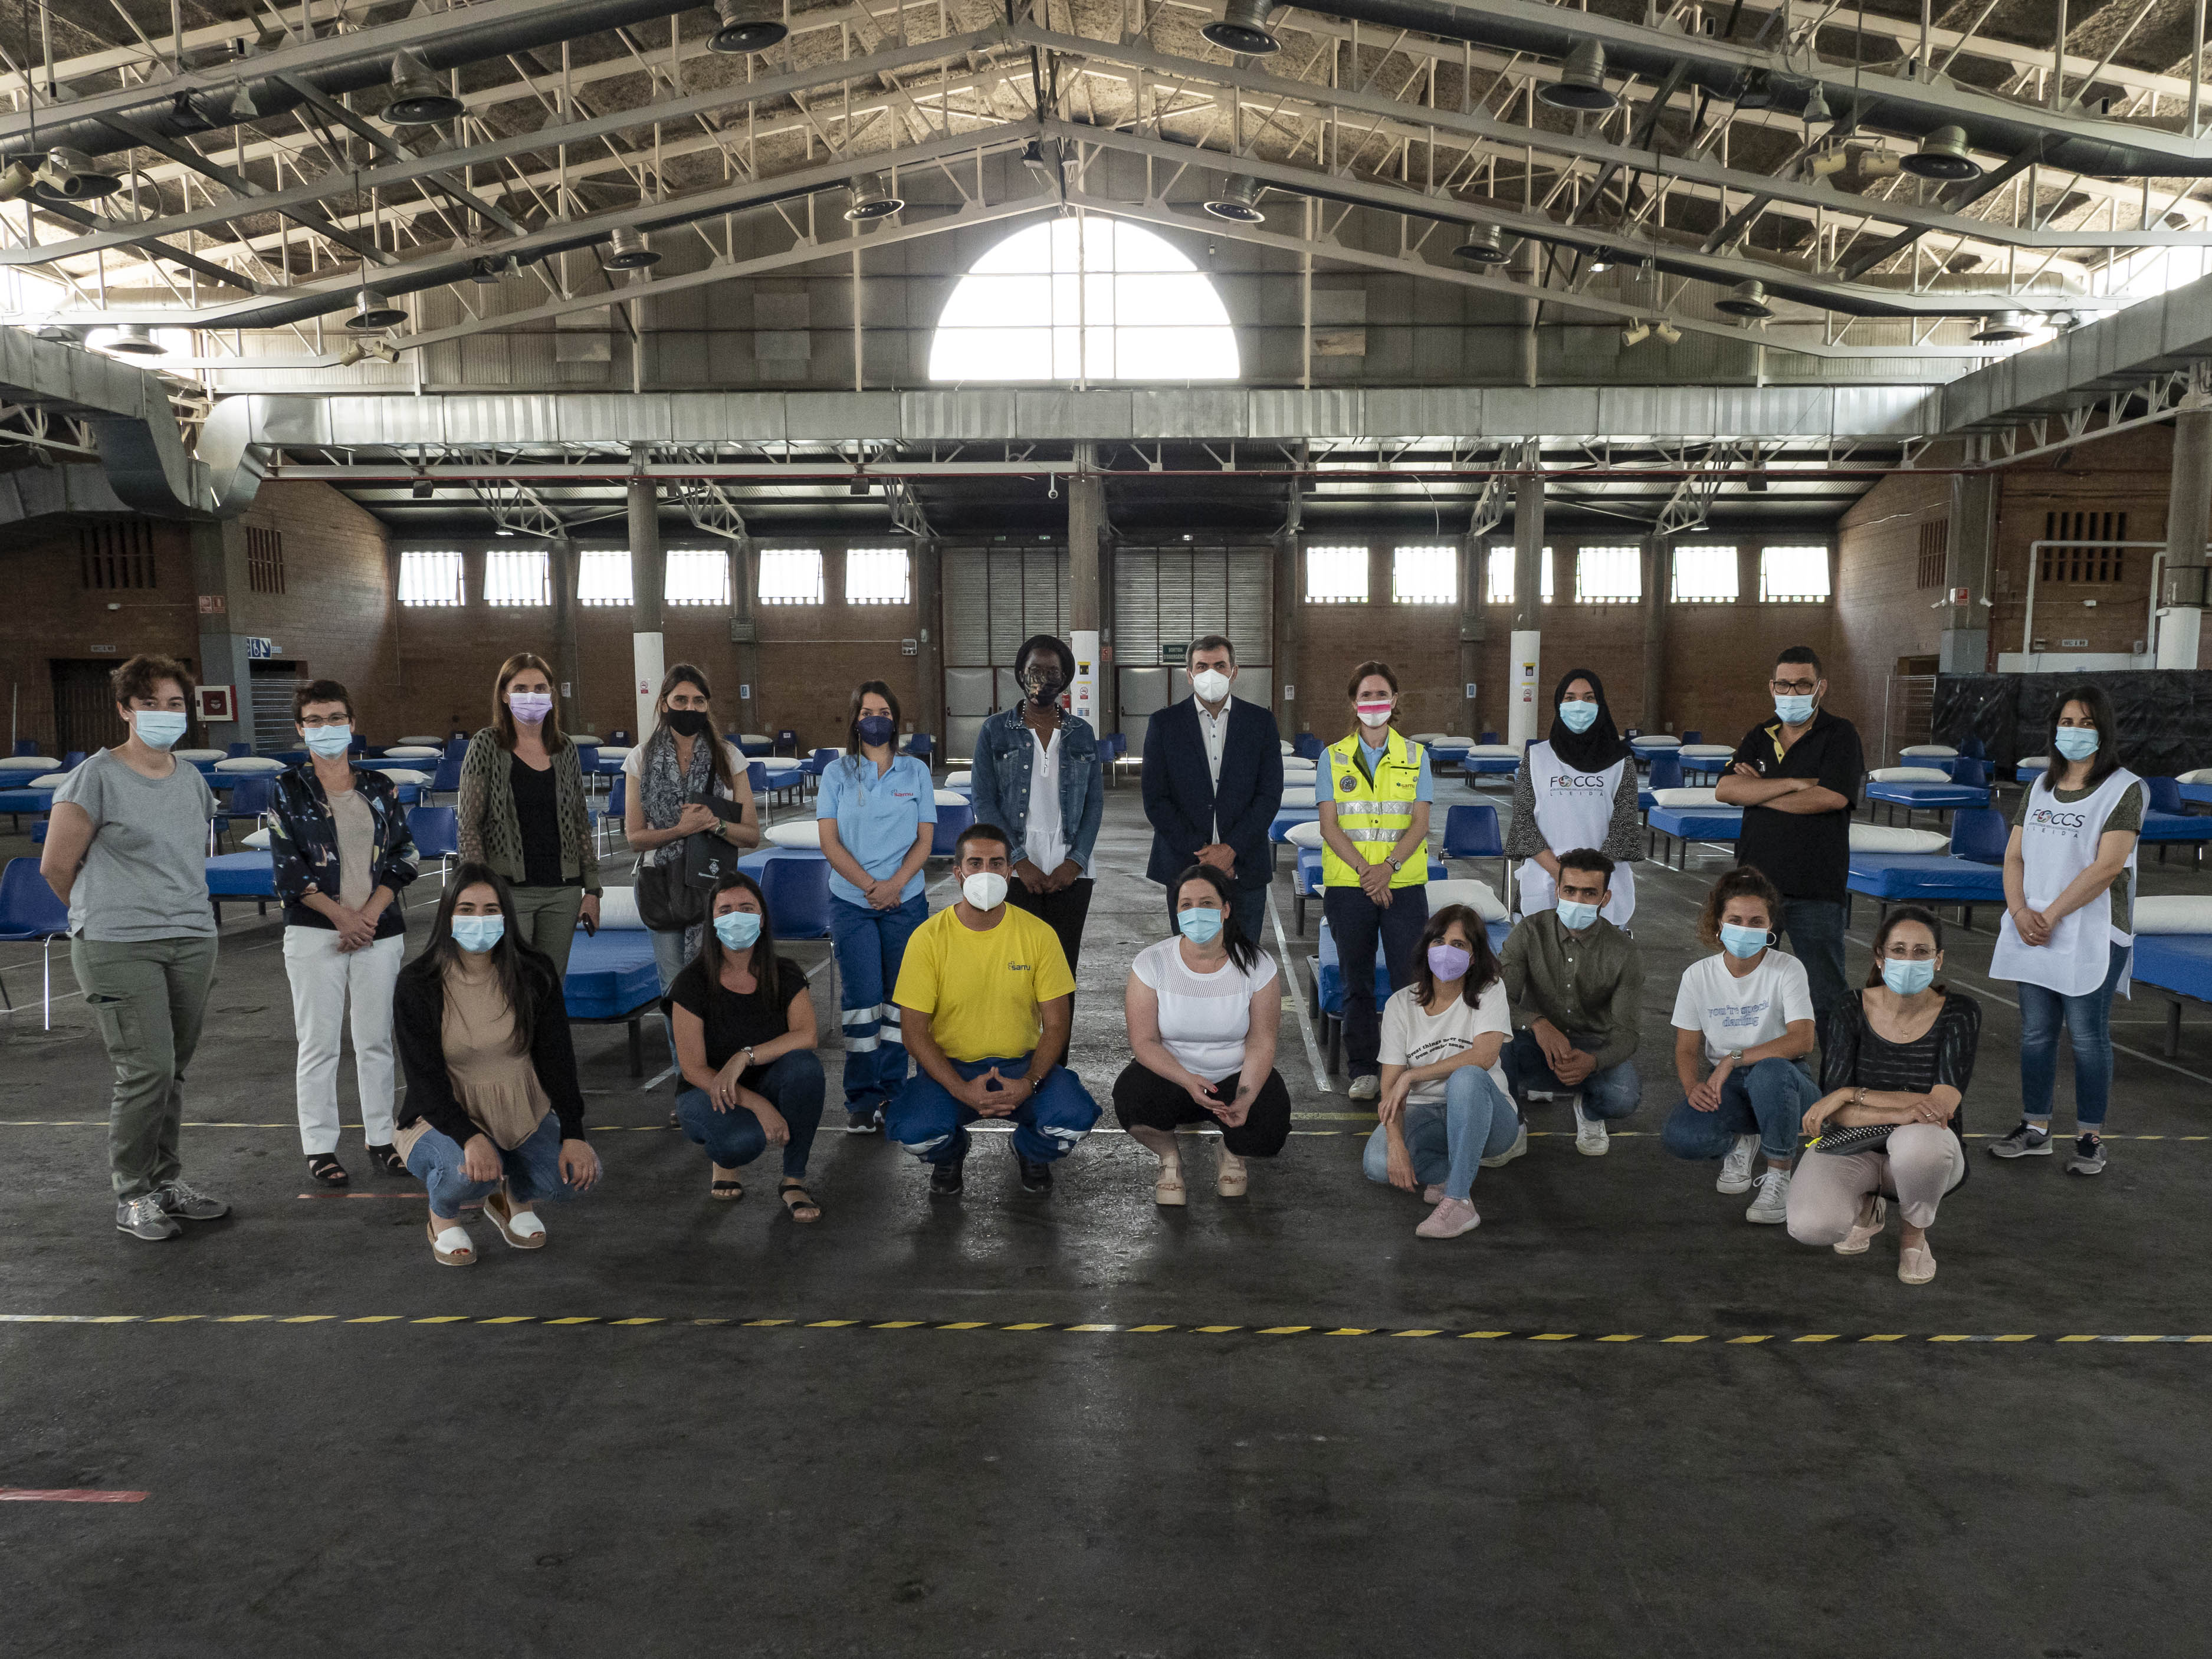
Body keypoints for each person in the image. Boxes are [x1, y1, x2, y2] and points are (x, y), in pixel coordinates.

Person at [39, 653, 229, 1243]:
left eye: (175, 703)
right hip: (119, 944)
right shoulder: (94, 777)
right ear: (125, 709)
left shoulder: (191, 779)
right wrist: (106, 913)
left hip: (191, 938)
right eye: (150, 703)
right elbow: (56, 866)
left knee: (172, 1070)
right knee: (147, 1069)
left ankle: (166, 1181)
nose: (164, 713)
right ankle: (133, 1192)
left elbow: (187, 856)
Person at [392, 865, 601, 1267]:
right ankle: (442, 1216)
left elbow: (558, 1058)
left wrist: (574, 1132)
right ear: (447, 915)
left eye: (490, 909)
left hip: (519, 1109)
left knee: (572, 1177)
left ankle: (512, 1199)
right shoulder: (417, 982)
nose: (479, 919)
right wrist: (470, 1137)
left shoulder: (535, 972)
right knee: (466, 1175)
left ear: (506, 916)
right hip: (441, 1115)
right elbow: (425, 1079)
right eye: (466, 909)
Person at [885, 823, 1100, 1198]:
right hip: (951, 1069)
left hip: (1023, 1066)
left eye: (997, 863)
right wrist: (960, 1089)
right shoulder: (928, 938)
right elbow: (914, 1033)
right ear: (958, 873)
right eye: (976, 863)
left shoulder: (1039, 934)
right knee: (914, 1132)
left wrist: (1030, 1082)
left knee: (1074, 1120)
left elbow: (1057, 1025)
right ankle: (951, 1154)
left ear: (1010, 871)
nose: (986, 872)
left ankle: (1030, 1150)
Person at [268, 678, 421, 1187]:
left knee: (376, 1039)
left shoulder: (379, 786)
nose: (326, 727)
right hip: (316, 931)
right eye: (314, 719)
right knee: (319, 1043)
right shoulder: (288, 788)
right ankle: (320, 1147)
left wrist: (369, 915)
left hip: (379, 930)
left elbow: (405, 855)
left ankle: (382, 1138)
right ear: (300, 728)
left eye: (335, 717)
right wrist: (341, 917)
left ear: (352, 723)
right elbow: (288, 868)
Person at [1988, 684, 2144, 1177]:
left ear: (2104, 730)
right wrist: (2019, 911)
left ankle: (2090, 1138)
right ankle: (2035, 1128)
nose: (2075, 731)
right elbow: (2014, 855)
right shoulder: (2040, 786)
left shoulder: (2125, 788)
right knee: (2036, 1033)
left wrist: (2051, 915)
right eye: (2067, 722)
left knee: (2087, 1036)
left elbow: (2108, 867)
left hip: (2092, 931)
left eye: (2086, 723)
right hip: (2032, 926)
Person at [1788, 906, 1978, 1285]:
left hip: (1924, 1154)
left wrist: (1850, 1094)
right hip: (1854, 1145)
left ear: (1938, 960)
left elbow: (1940, 1107)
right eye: (1899, 950)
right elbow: (1837, 1114)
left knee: (1919, 1142)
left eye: (1921, 952)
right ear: (1880, 956)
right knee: (1811, 1226)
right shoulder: (1849, 1008)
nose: (1909, 960)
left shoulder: (1960, 1013)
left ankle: (1914, 1235)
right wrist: (1901, 1110)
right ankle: (1868, 1204)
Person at [1113, 863, 1291, 1206]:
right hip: (1173, 1075)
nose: (1197, 911)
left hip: (1234, 1074)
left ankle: (1231, 1150)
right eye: (1187, 905)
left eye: (1207, 903)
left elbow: (1262, 1040)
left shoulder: (1258, 965)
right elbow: (1144, 1042)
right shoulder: (1151, 963)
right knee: (1132, 1098)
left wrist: (1246, 1099)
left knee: (1270, 1129)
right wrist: (1187, 1080)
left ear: (1225, 910)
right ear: (1178, 913)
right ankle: (1169, 1158)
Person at [1662, 865, 1819, 1225]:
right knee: (1682, 1137)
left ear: (1770, 926)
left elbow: (1802, 1039)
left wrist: (1733, 1058)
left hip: (1787, 1079)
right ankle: (1742, 1140)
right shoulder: (1698, 975)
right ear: (1719, 924)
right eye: (1735, 919)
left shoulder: (1788, 968)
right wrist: (1692, 1087)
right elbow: (1686, 1048)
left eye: (1756, 921)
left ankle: (1779, 1174)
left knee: (1770, 1073)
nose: (1745, 928)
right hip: (1729, 1083)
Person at [1714, 645, 1864, 1021]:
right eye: (1783, 684)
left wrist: (1759, 792)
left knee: (1825, 993)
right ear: (1772, 687)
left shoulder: (1840, 734)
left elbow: (1831, 797)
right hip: (1754, 889)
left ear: (1820, 687)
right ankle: (1750, 1055)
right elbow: (1726, 790)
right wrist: (1796, 783)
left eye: (1802, 685)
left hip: (1816, 888)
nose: (1791, 692)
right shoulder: (1759, 735)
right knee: (1749, 987)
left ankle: (1835, 1061)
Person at [669, 873, 825, 1221]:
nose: (736, 917)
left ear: (762, 918)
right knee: (739, 1144)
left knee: (805, 1068)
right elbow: (693, 1069)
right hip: (708, 1090)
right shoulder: (691, 983)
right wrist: (759, 1105)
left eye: (746, 908)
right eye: (725, 910)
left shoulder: (785, 973)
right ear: (712, 921)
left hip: (766, 1078)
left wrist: (744, 1056)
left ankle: (794, 1181)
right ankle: (724, 1162)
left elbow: (807, 1035)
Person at [818, 681, 936, 1135]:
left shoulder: (916, 771)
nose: (875, 719)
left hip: (905, 902)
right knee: (862, 1001)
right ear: (855, 720)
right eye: (867, 712)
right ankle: (862, 1096)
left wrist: (895, 886)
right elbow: (830, 842)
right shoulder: (837, 773)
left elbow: (925, 840)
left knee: (899, 1002)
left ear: (895, 718)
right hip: (853, 903)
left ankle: (893, 1091)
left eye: (883, 711)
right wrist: (871, 886)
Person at [1361, 904, 1519, 1240]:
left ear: (1473, 957)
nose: (1447, 951)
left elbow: (1485, 1056)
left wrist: (1412, 1076)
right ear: (1427, 947)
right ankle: (1454, 1170)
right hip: (1426, 1114)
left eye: (1459, 944)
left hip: (1489, 1115)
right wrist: (1396, 1144)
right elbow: (1390, 1086)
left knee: (1467, 1077)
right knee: (1377, 1164)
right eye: (1439, 941)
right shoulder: (1400, 1005)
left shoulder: (1489, 990)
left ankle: (1459, 1201)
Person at [1317, 660, 1432, 1103]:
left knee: (1410, 980)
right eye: (1365, 695)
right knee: (1357, 981)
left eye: (1382, 693)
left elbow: (1419, 823)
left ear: (1395, 699)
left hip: (1403, 886)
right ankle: (1364, 1068)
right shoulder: (1332, 757)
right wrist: (1370, 873)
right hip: (1350, 887)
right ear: (1354, 702)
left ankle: (1408, 1063)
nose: (1374, 702)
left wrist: (1389, 867)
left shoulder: (1416, 756)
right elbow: (1330, 826)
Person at [622, 663, 760, 1007]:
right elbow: (635, 838)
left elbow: (751, 835)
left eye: (699, 701)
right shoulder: (640, 759)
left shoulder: (729, 758)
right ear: (664, 704)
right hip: (661, 884)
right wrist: (680, 831)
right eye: (681, 700)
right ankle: (684, 1046)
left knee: (717, 982)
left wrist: (715, 824)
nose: (690, 708)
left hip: (714, 885)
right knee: (675, 988)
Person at [967, 633, 1104, 974]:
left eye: (1052, 671)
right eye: (1035, 670)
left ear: (1065, 679)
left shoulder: (1082, 732)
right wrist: (1019, 861)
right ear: (1020, 674)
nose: (1043, 678)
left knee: (1062, 967)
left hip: (1071, 869)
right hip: (1012, 868)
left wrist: (1075, 862)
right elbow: (984, 800)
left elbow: (1094, 803)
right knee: (1016, 967)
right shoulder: (995, 730)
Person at [457, 651, 600, 976]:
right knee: (511, 983)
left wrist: (592, 890)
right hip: (507, 891)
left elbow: (580, 823)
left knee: (551, 985)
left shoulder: (565, 748)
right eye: (521, 689)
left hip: (563, 891)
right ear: (505, 695)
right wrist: (479, 889)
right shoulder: (485, 745)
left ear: (551, 694)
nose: (531, 696)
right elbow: (469, 826)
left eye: (539, 688)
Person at [1497, 848, 1643, 1157]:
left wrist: (1594, 1061)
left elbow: (1627, 1033)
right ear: (1557, 891)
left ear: (1605, 899)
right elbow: (1497, 1001)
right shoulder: (1529, 932)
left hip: (1593, 1045)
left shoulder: (1624, 952)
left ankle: (1590, 1111)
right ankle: (1512, 1125)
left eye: (1589, 893)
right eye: (1570, 891)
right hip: (1534, 1043)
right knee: (1494, 1046)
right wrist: (1536, 1024)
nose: (1577, 900)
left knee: (1623, 1098)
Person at [1140, 636, 1285, 942]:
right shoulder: (1165, 724)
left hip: (1245, 866)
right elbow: (1156, 800)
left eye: (1220, 666)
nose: (1211, 674)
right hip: (1184, 866)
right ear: (1189, 674)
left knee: (1245, 957)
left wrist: (1231, 850)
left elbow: (1269, 795)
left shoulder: (1260, 723)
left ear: (1234, 671)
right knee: (1193, 958)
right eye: (1202, 666)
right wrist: (1204, 854)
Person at [1504, 667, 1642, 925]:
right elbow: (1523, 822)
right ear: (1559, 704)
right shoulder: (1537, 757)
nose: (1579, 705)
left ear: (1600, 704)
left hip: (1603, 882)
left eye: (1589, 698)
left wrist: (1588, 880)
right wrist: (1560, 874)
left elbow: (1624, 825)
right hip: (1546, 879)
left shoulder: (1620, 761)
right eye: (1570, 698)